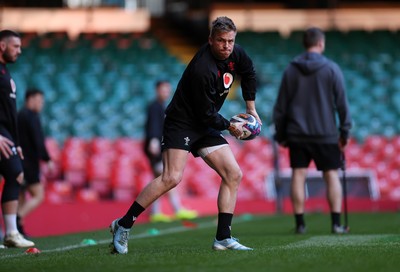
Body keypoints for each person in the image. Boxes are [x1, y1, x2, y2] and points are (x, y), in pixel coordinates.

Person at [110, 16, 261, 254]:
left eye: (231, 41)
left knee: (233, 174)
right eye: (221, 41)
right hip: (182, 122)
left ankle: (223, 237)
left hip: (205, 121)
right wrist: (232, 127)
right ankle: (123, 224)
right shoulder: (203, 68)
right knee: (171, 177)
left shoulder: (236, 53)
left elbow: (250, 73)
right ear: (210, 40)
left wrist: (251, 109)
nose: (227, 46)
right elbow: (206, 114)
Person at [272, 27, 352, 234]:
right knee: (331, 175)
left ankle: (300, 224)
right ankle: (335, 224)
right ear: (321, 43)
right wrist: (344, 133)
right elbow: (342, 104)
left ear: (304, 44)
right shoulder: (332, 68)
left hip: (297, 133)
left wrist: (281, 135)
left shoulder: (291, 69)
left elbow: (280, 107)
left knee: (298, 174)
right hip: (326, 133)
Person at [144, 80, 198, 223]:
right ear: (157, 90)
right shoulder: (155, 107)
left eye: (168, 90)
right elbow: (153, 126)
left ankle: (156, 212)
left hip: (159, 146)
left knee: (160, 180)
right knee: (167, 178)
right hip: (155, 147)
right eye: (164, 89)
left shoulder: (162, 106)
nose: (166, 92)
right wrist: (154, 141)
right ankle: (177, 209)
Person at [0, 29, 35, 247]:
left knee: (15, 174)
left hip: (8, 137)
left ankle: (11, 232)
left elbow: (8, 112)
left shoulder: (4, 72)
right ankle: (11, 233)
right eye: (16, 46)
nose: (19, 51)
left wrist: (18, 143)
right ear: (2, 46)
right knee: (15, 173)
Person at [17, 88, 53, 236]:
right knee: (39, 195)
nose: (41, 104)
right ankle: (16, 218)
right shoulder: (31, 116)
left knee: (20, 195)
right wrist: (47, 159)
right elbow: (38, 140)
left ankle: (17, 230)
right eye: (39, 100)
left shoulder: (19, 115)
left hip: (17, 162)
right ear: (30, 99)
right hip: (29, 163)